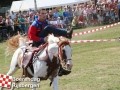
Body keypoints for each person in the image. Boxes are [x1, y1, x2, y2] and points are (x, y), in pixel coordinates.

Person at [27, 9, 73, 76]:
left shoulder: (46, 22)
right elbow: (31, 37)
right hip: (37, 43)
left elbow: (54, 30)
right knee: (48, 28)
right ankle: (67, 33)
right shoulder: (34, 24)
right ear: (38, 15)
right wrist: (42, 39)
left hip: (46, 41)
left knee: (57, 50)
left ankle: (60, 69)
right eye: (42, 13)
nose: (44, 15)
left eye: (45, 13)